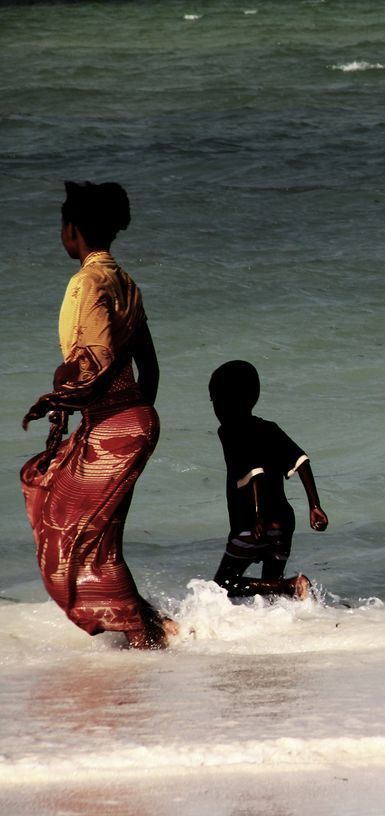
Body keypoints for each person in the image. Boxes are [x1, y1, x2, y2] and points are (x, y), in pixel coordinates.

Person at [21, 181, 175, 649]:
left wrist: (65, 400)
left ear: (73, 230)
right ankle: (153, 630)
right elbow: (148, 368)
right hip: (131, 420)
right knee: (98, 539)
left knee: (62, 529)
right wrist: (131, 417)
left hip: (115, 426)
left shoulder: (86, 282)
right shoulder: (125, 281)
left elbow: (100, 363)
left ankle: (148, 641)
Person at [209, 360, 328, 600]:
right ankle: (286, 609)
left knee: (223, 586)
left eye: (216, 400)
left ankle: (291, 586)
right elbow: (302, 461)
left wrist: (259, 518)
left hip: (252, 525)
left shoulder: (229, 432)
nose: (216, 408)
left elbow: (256, 473)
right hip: (284, 523)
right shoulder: (269, 428)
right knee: (271, 589)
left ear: (224, 402)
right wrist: (315, 506)